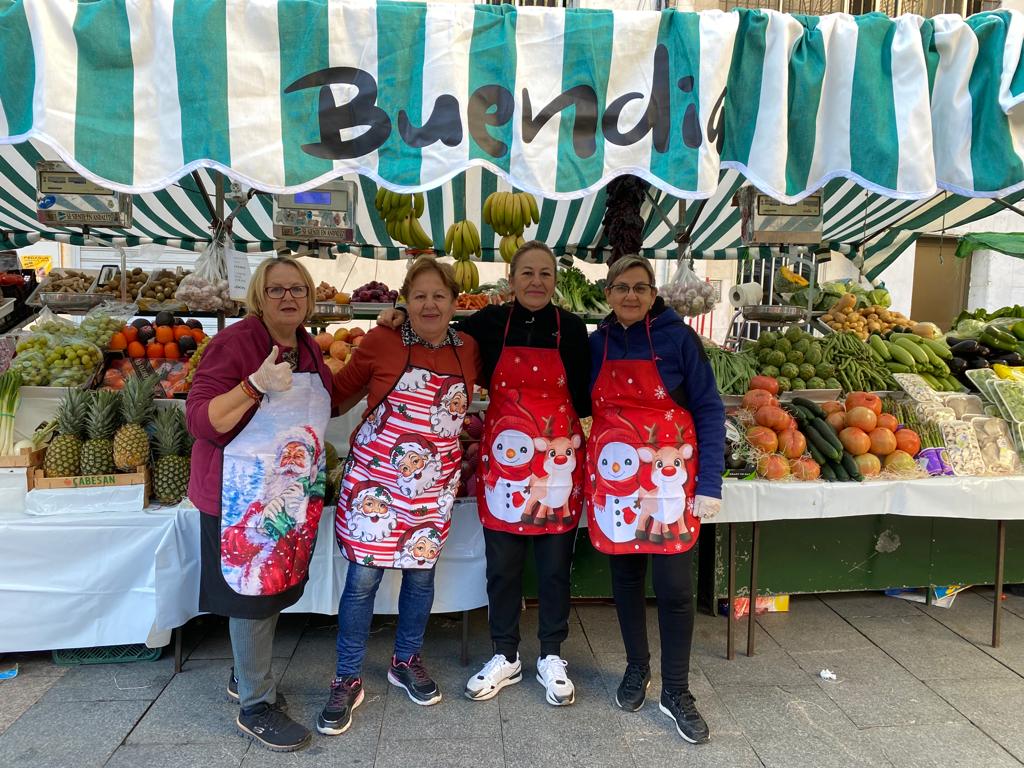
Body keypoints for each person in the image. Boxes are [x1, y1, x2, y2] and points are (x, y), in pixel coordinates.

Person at [379, 240, 591, 706]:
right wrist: (397, 313)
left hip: (556, 461)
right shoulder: (487, 324)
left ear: (554, 282)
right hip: (505, 463)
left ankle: (552, 654)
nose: (536, 282)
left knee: (556, 566)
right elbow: (434, 327)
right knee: (503, 565)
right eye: (527, 273)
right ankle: (505, 655)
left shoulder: (573, 329)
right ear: (511, 279)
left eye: (545, 274)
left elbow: (585, 398)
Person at [318, 256, 480, 736]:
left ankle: (405, 659)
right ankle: (347, 676)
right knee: (363, 581)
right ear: (404, 301)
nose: (429, 305)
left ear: (454, 303)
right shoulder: (380, 340)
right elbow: (337, 397)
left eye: (439, 296)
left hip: (433, 487)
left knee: (420, 579)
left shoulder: (470, 348)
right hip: (375, 482)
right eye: (419, 296)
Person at [186, 256, 334, 752]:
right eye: (277, 290)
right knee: (250, 594)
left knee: (267, 589)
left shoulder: (309, 348)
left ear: (310, 298)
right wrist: (252, 385)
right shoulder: (236, 344)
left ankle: (244, 675)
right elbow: (202, 421)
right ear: (259, 297)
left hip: (285, 494)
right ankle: (255, 706)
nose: (289, 297)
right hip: (238, 495)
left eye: (298, 289)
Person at [586, 254, 724, 744]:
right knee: (625, 580)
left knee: (675, 589)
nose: (630, 295)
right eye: (621, 287)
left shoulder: (678, 339)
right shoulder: (597, 343)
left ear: (652, 293)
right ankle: (636, 668)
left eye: (640, 287)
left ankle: (677, 691)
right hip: (618, 482)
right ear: (608, 293)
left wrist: (710, 483)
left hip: (670, 481)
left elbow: (708, 408)